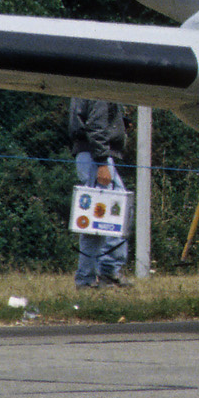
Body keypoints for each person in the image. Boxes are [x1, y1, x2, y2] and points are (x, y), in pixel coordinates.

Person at [69, 98, 131, 289]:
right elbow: (95, 124)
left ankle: (107, 269)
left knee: (116, 214)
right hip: (96, 158)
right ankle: (88, 278)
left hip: (92, 155)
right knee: (97, 219)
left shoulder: (88, 84)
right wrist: (102, 162)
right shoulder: (99, 86)